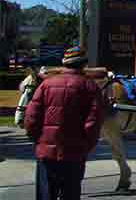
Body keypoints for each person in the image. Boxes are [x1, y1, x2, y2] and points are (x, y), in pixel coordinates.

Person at [24, 46, 105, 200]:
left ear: (64, 63)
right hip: (74, 154)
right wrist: (85, 146)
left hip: (46, 154)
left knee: (46, 195)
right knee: (71, 194)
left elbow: (31, 117)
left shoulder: (46, 85)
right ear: (84, 64)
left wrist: (39, 141)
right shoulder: (90, 87)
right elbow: (93, 123)